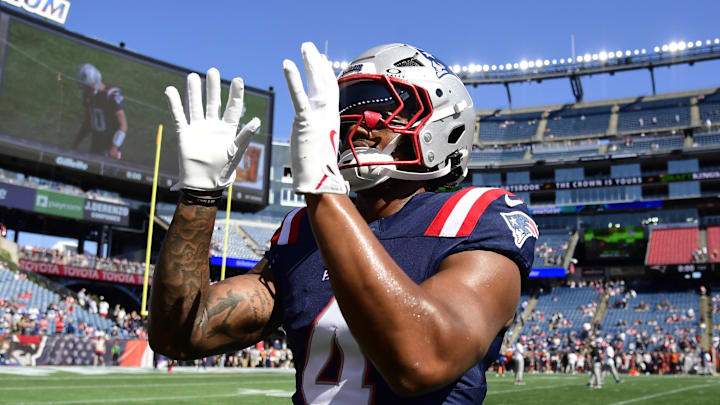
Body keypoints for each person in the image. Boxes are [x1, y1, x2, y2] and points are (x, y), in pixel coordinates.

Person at [149, 42, 537, 404]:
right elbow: (183, 334)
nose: (360, 122)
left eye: (388, 106)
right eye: (348, 108)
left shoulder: (478, 215)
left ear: (444, 122)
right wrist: (199, 196)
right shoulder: (303, 230)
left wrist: (322, 190)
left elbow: (422, 360)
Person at [72, 63, 128, 159]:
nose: (86, 90)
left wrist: (115, 147)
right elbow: (88, 122)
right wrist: (77, 141)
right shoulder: (89, 97)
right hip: (96, 145)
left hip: (110, 148)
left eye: (87, 86)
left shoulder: (111, 95)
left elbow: (123, 125)